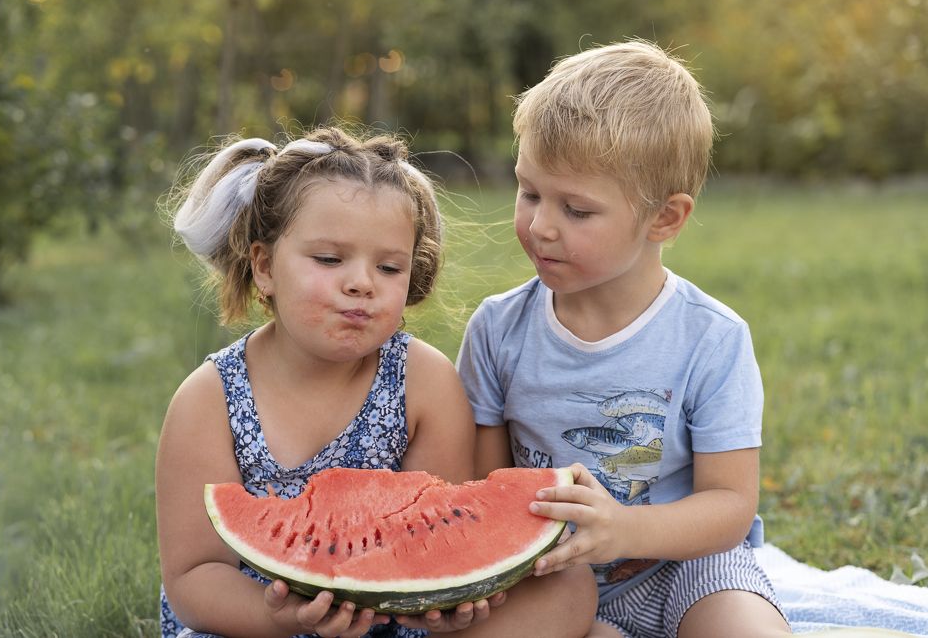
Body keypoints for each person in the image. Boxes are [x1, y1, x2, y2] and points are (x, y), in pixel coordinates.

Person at [156, 127, 591, 638]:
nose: (361, 282)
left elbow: (442, 535)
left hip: (394, 619)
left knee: (570, 588)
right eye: (329, 259)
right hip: (258, 621)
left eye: (388, 267)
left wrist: (451, 605)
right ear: (265, 267)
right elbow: (193, 578)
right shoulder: (209, 398)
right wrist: (286, 617)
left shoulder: (423, 383)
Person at [456, 40, 792, 638]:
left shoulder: (711, 338)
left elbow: (729, 506)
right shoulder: (497, 329)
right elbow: (486, 488)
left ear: (665, 218)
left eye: (576, 210)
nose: (540, 225)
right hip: (547, 575)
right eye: (529, 192)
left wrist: (623, 530)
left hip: (685, 566)